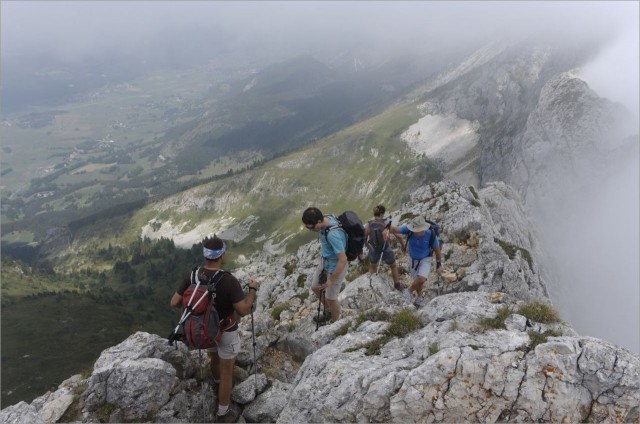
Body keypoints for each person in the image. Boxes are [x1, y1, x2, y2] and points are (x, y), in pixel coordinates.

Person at [170, 236, 259, 423]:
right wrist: (252, 291)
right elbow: (242, 310)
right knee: (228, 372)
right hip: (225, 330)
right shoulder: (228, 280)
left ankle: (217, 384)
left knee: (214, 358)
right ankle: (223, 413)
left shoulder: (192, 275)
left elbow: (174, 302)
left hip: (204, 330)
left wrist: (198, 313)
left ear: (205, 255)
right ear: (222, 255)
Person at [302, 206, 348, 324]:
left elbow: (342, 260)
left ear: (318, 221)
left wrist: (330, 280)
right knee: (315, 287)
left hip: (336, 266)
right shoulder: (326, 217)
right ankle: (329, 311)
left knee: (331, 298)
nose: (310, 230)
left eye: (311, 227)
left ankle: (336, 322)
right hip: (325, 262)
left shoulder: (333, 235)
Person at [390, 216, 443, 307]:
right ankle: (420, 298)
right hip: (412, 259)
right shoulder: (408, 229)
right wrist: (387, 225)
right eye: (417, 230)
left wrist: (438, 264)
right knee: (417, 281)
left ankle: (408, 292)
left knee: (421, 278)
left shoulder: (431, 234)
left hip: (426, 259)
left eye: (421, 230)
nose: (419, 232)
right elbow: (396, 230)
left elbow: (437, 251)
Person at [365, 205, 405, 291]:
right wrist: (403, 245)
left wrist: (369, 247)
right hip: (385, 248)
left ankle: (372, 284)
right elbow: (398, 235)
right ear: (382, 214)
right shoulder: (386, 223)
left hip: (373, 249)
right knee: (393, 266)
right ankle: (397, 284)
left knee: (372, 266)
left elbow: (365, 237)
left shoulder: (369, 224)